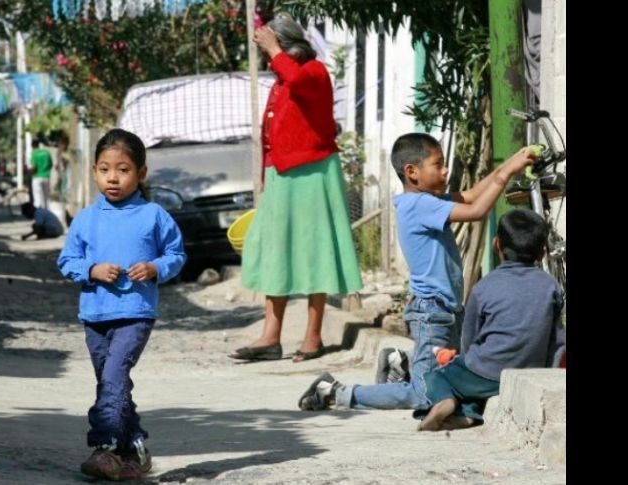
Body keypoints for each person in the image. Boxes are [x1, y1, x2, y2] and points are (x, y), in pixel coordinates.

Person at [298, 133, 538, 414]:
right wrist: (508, 171)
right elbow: (477, 210)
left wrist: (511, 163)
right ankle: (333, 393)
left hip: (444, 309)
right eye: (438, 164)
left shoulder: (426, 201)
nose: (445, 170)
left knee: (450, 369)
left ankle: (401, 362)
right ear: (412, 172)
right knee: (424, 395)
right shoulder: (421, 205)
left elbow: (472, 195)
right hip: (432, 313)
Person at [229, 14, 363, 363]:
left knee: (314, 251)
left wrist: (274, 50)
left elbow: (299, 82)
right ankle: (270, 337)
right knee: (277, 252)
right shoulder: (281, 80)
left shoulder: (313, 72)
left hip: (313, 174)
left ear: (287, 47)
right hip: (282, 176)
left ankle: (313, 336)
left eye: (275, 50)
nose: (272, 60)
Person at [58, 128, 186, 481]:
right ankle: (136, 450)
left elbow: (176, 254)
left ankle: (106, 448)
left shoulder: (154, 215)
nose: (113, 177)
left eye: (123, 169)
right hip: (95, 314)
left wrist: (156, 267)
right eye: (104, 169)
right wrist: (92, 270)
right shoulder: (86, 218)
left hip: (135, 313)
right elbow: (67, 261)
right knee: (112, 383)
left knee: (113, 378)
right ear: (95, 171)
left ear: (141, 173)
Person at [417, 209, 566, 431]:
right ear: (542, 253)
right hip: (528, 370)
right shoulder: (551, 287)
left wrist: (466, 360)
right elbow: (558, 340)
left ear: (497, 245)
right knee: (478, 384)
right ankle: (470, 414)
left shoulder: (484, 287)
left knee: (438, 377)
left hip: (484, 372)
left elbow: (469, 338)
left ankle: (447, 402)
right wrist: (548, 372)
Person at [30, 138, 53, 209]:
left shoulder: (35, 154)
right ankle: (47, 214)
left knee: (38, 198)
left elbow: (34, 167)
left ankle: (39, 215)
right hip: (46, 177)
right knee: (46, 198)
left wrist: (31, 172)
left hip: (37, 177)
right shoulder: (47, 153)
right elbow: (51, 165)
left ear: (33, 146)